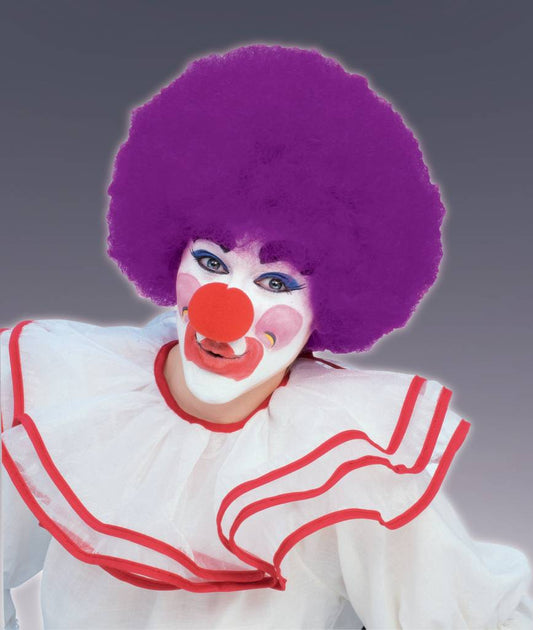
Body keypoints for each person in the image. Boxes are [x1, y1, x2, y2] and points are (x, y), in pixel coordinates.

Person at [2, 44, 532, 629]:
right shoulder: (68, 393)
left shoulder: (344, 464)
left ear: (332, 299)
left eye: (275, 281)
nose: (224, 309)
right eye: (210, 261)